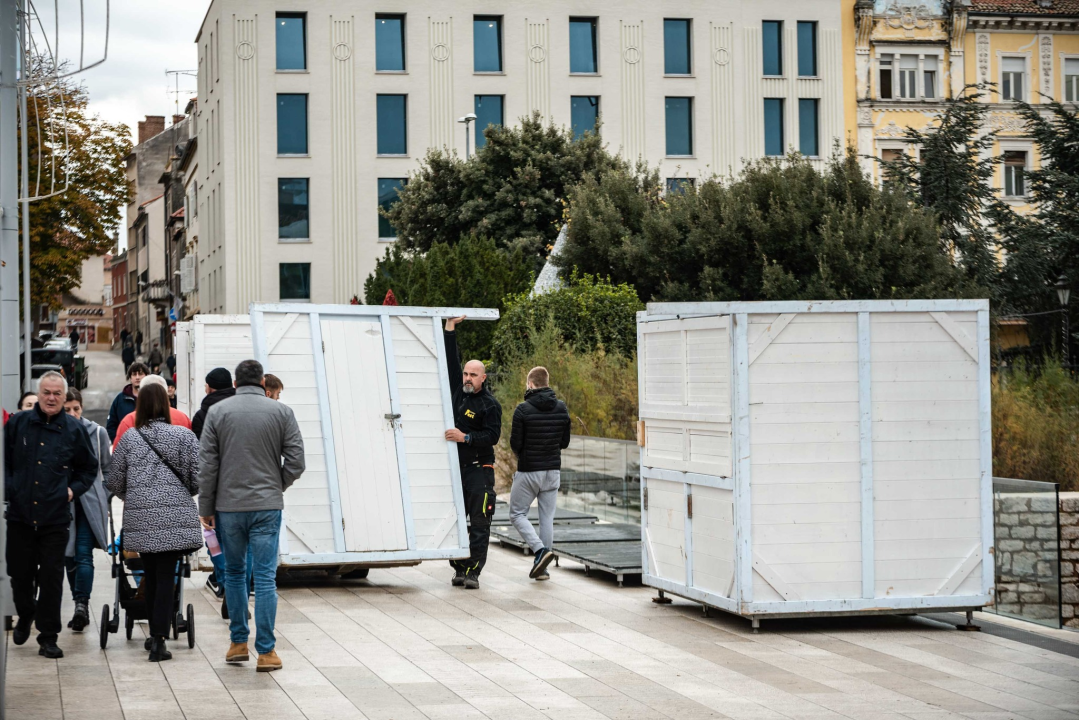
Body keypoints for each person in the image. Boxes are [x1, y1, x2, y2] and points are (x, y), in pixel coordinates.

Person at [199, 359, 304, 672]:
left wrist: (206, 507)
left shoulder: (217, 413)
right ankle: (267, 652)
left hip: (228, 507)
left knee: (233, 573)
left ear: (235, 381)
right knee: (265, 577)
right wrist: (275, 485)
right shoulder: (282, 412)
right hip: (267, 506)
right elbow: (297, 462)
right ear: (261, 381)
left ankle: (238, 643)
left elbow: (208, 466)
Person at [106, 383, 201, 662]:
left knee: (150, 574)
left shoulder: (129, 439)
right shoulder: (184, 436)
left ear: (141, 406)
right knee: (166, 575)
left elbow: (114, 482)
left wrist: (135, 496)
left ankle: (155, 635)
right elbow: (198, 478)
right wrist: (182, 494)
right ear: (166, 404)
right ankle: (159, 639)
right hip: (175, 518)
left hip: (141, 518)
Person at [4, 372, 97, 658]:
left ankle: (48, 636)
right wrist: (11, 488)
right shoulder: (18, 424)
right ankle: (26, 613)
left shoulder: (73, 429)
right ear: (38, 393)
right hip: (20, 514)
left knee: (52, 579)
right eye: (46, 392)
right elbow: (5, 460)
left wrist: (71, 491)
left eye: (57, 393)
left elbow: (88, 469)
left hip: (55, 517)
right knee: (19, 574)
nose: (51, 398)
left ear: (64, 395)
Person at [442, 316, 502, 590]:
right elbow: (449, 360)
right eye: (466, 374)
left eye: (472, 375)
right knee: (455, 522)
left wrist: (465, 437)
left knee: (479, 522)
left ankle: (473, 572)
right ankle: (458, 568)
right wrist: (450, 328)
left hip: (480, 469)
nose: (467, 378)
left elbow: (492, 436)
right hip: (456, 469)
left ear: (483, 378)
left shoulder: (490, 404)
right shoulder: (458, 392)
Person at [509, 366, 572, 581]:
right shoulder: (562, 408)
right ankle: (543, 569)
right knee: (547, 518)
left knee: (517, 513)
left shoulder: (522, 409)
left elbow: (515, 444)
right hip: (553, 471)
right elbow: (564, 442)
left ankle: (539, 551)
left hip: (529, 470)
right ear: (547, 382)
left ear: (530, 384)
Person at [62, 389, 111, 631]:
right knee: (68, 555)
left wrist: (105, 495)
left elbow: (108, 468)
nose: (72, 414)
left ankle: (81, 603)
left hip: (89, 503)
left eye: (76, 409)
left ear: (82, 408)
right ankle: (78, 600)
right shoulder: (56, 432)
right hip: (62, 503)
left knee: (82, 552)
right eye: (67, 409)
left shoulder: (97, 432)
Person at [190, 367, 236, 598]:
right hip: (240, 486)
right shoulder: (241, 409)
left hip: (215, 488)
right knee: (239, 541)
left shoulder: (201, 416)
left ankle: (223, 581)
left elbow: (202, 459)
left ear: (209, 387)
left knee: (212, 535)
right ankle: (238, 585)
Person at [112, 375, 191, 449]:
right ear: (166, 393)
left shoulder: (129, 420)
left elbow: (118, 455)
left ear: (141, 394)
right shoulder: (182, 418)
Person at [106, 362, 149, 442]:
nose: (137, 377)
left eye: (140, 374)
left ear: (146, 376)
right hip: (125, 447)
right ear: (130, 377)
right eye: (134, 374)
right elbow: (111, 425)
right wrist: (119, 443)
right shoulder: (120, 399)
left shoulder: (152, 398)